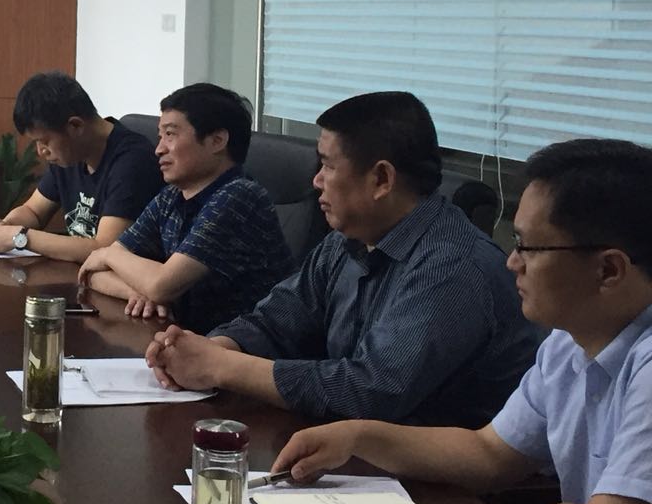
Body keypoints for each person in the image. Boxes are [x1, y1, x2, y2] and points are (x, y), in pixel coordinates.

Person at [271, 139, 652, 504]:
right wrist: (357, 437)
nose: (511, 262)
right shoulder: (568, 344)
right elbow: (490, 453)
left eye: (528, 247)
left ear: (609, 270)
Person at [145, 91, 537, 426]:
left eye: (328, 166)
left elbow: (371, 391)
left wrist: (221, 367)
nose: (316, 180)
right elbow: (276, 321)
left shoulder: (453, 266)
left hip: (437, 481)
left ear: (381, 179)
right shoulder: (347, 241)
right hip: (352, 453)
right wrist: (210, 349)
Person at [77, 84, 293, 329]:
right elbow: (93, 274)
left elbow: (160, 284)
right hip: (187, 338)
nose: (159, 149)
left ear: (217, 141)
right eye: (160, 136)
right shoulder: (171, 196)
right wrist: (137, 292)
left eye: (170, 134)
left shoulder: (239, 197)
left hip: (243, 345)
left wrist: (107, 254)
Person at [0, 71, 162, 262]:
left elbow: (105, 249)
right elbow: (33, 211)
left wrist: (20, 237)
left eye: (44, 141)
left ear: (75, 126)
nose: (41, 151)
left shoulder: (133, 161)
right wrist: (5, 226)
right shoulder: (71, 153)